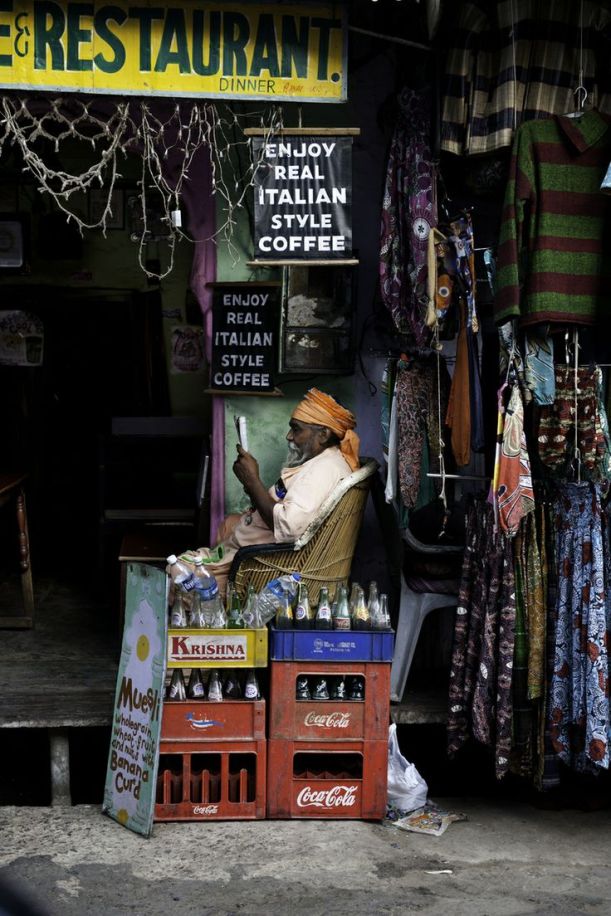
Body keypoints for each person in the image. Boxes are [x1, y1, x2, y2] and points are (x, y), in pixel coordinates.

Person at [167, 388, 360, 598]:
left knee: (177, 577)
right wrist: (252, 487)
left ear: (323, 434)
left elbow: (288, 527)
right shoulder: (324, 462)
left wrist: (252, 482)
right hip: (259, 546)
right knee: (228, 524)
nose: (289, 436)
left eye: (296, 429)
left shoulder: (322, 470)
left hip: (263, 562)